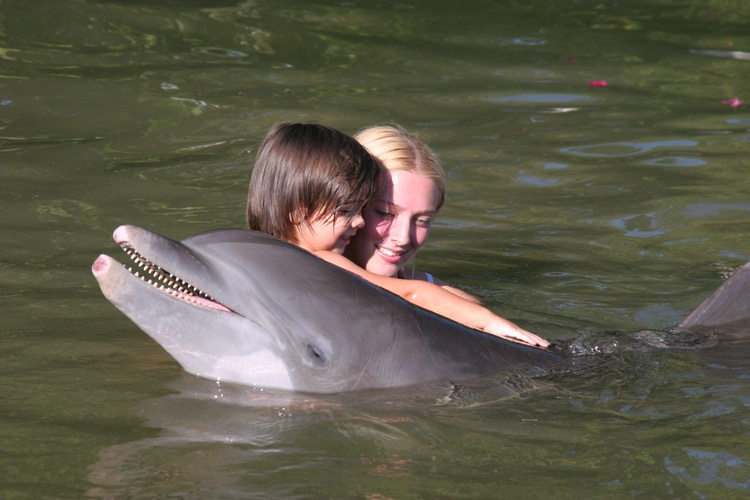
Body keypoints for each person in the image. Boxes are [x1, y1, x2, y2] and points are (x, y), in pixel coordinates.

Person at [246, 122, 548, 347]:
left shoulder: (413, 279)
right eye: (384, 213)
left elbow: (429, 291)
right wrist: (489, 322)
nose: (403, 237)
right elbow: (414, 294)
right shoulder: (320, 260)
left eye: (423, 220)